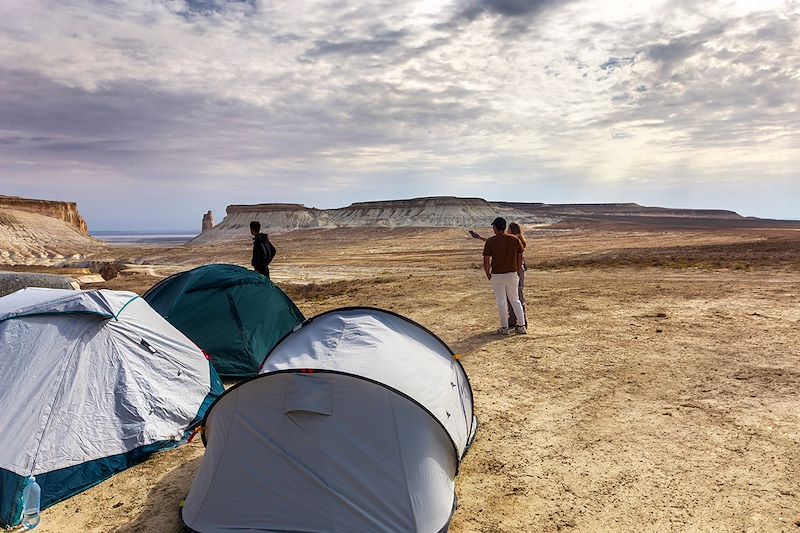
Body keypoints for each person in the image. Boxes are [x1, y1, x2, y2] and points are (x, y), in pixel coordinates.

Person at [471, 222, 527, 328]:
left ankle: (506, 326)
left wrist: (488, 274)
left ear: (494, 228)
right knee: (515, 299)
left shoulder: (508, 240)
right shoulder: (514, 240)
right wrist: (518, 271)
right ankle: (520, 324)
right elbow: (499, 244)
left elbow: (488, 257)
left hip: (501, 273)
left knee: (504, 301)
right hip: (513, 272)